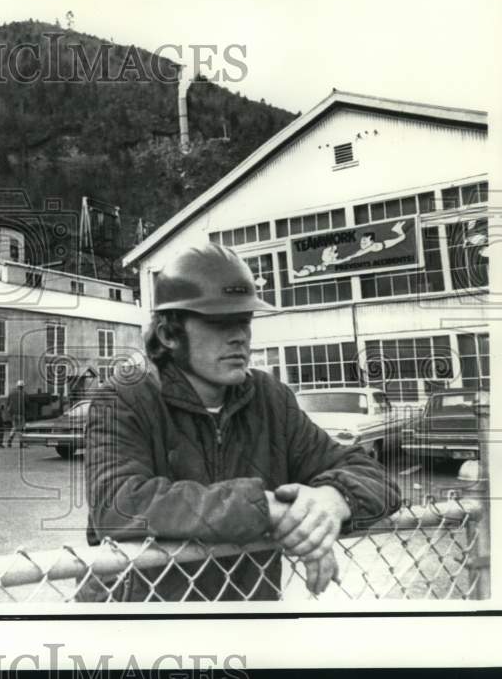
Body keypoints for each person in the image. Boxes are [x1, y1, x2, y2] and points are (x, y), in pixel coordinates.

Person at [82, 242, 400, 602]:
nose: (240, 337)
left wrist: (330, 502)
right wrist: (267, 509)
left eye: (244, 320)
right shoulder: (125, 397)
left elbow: (370, 474)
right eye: (220, 323)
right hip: (143, 626)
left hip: (246, 620)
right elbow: (119, 505)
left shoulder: (270, 398)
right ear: (170, 334)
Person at [4, 380, 26, 448]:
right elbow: (27, 404)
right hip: (21, 413)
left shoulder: (11, 393)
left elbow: (7, 403)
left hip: (13, 414)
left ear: (17, 386)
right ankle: (21, 443)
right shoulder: (23, 394)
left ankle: (9, 441)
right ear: (22, 387)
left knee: (14, 428)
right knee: (21, 428)